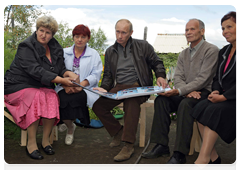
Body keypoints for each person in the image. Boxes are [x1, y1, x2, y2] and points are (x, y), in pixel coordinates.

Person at [141, 19, 219, 170]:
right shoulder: (183, 53)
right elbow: (178, 77)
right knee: (161, 101)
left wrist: (182, 91)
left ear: (202, 31)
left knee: (186, 105)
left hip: (204, 93)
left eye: (192, 29)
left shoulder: (211, 50)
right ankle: (161, 145)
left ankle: (179, 155)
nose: (188, 32)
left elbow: (204, 78)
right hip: (187, 91)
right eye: (186, 30)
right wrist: (185, 91)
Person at [4, 15, 79, 160]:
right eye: (41, 30)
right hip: (17, 85)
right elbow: (36, 71)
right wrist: (61, 80)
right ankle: (31, 144)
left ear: (52, 35)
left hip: (39, 86)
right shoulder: (26, 46)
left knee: (51, 96)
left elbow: (60, 68)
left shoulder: (55, 48)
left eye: (48, 32)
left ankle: (45, 141)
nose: (43, 35)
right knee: (37, 96)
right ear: (37, 30)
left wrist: (69, 74)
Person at [92, 19, 167, 162]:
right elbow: (108, 75)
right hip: (120, 87)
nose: (119, 36)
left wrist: (161, 76)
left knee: (131, 102)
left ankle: (128, 145)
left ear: (131, 33)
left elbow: (157, 62)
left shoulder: (143, 46)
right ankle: (118, 132)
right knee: (98, 106)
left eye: (123, 32)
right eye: (117, 31)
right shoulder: (110, 51)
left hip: (139, 86)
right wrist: (104, 88)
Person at [186, 11, 238, 170]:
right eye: (223, 28)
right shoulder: (224, 52)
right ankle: (213, 157)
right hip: (223, 96)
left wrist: (224, 97)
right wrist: (215, 91)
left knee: (214, 110)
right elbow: (217, 77)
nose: (225, 31)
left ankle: (203, 160)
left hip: (235, 99)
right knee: (201, 107)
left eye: (229, 26)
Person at [55, 24, 103, 145]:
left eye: (83, 36)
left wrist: (81, 85)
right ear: (73, 37)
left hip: (84, 87)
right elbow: (57, 70)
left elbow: (95, 74)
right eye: (77, 36)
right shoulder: (64, 52)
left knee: (78, 98)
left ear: (88, 38)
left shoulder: (94, 54)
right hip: (64, 86)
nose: (80, 39)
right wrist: (66, 85)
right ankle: (70, 125)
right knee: (61, 99)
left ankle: (69, 129)